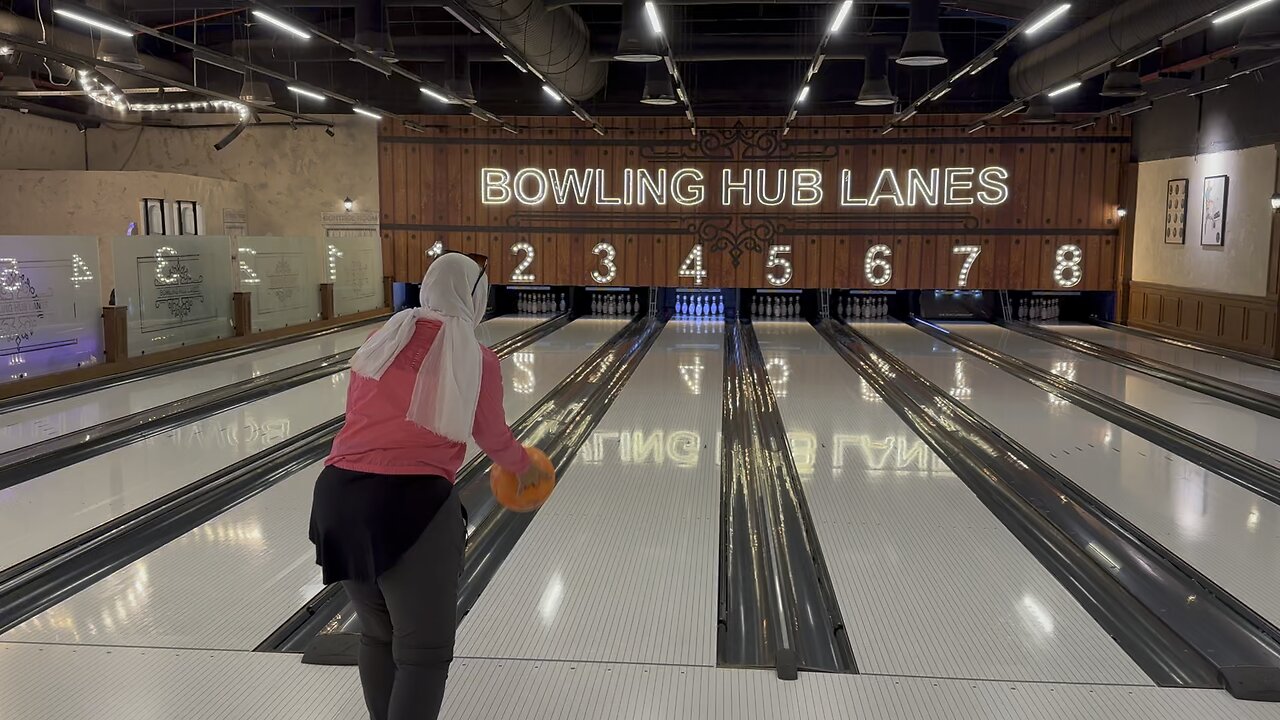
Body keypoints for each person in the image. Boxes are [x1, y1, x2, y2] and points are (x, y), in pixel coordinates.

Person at [309, 252, 547, 720]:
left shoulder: (382, 339)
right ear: (474, 295)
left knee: (377, 636)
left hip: (337, 498)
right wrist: (525, 469)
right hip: (409, 504)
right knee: (423, 656)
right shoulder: (475, 356)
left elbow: (359, 417)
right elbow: (492, 436)